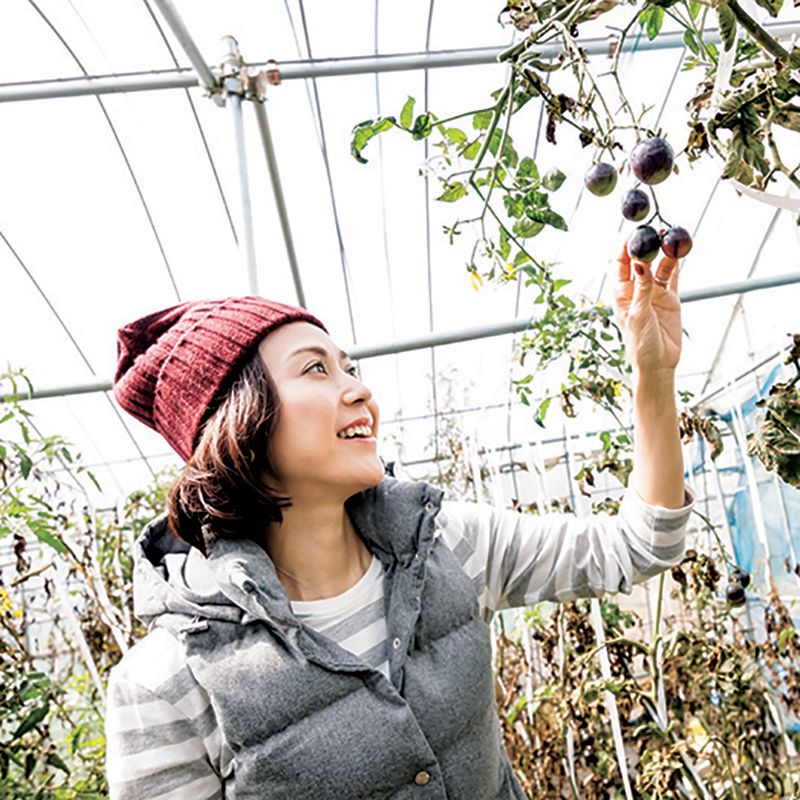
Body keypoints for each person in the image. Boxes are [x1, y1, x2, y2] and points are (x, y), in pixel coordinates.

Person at [105, 245, 692, 799]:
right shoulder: (170, 682)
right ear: (238, 420)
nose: (359, 390)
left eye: (349, 367)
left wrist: (653, 376)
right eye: (315, 370)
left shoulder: (444, 544)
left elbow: (639, 546)